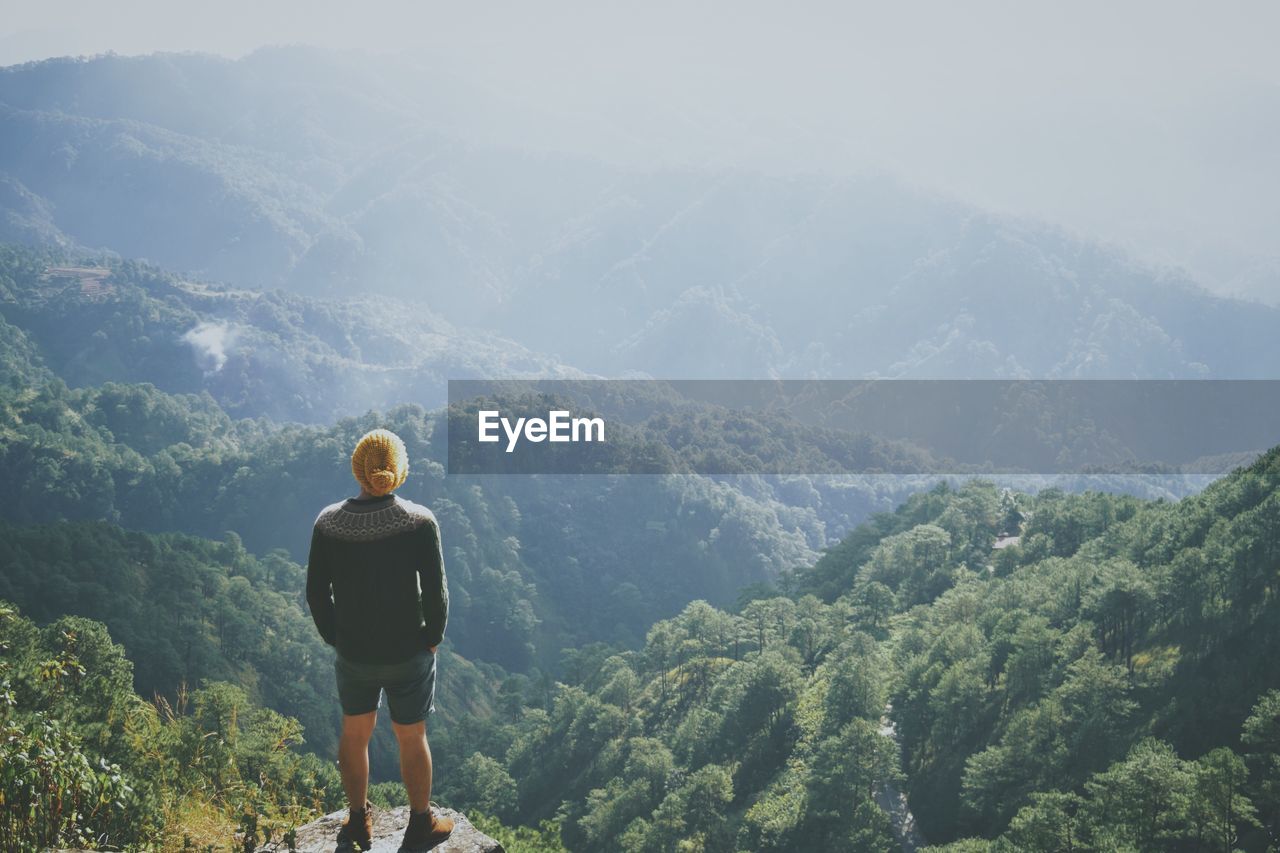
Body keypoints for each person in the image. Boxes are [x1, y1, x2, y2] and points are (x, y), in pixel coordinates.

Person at [306, 428, 453, 851]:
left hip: (355, 653)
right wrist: (433, 636)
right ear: (400, 470)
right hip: (409, 651)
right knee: (412, 735)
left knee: (355, 734)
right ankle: (421, 823)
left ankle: (357, 822)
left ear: (359, 470)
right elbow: (436, 590)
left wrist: (336, 636)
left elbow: (317, 592)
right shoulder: (419, 521)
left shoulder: (329, 523)